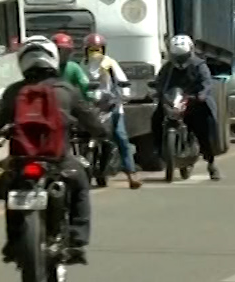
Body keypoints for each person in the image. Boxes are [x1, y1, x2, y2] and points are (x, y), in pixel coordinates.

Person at [0, 36, 104, 264]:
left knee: (12, 192)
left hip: (23, 159)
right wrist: (101, 133)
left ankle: (13, 242)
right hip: (58, 158)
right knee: (80, 184)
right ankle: (77, 242)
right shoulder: (65, 90)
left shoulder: (14, 91)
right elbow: (90, 119)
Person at [151, 34, 221, 181]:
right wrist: (156, 92)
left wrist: (201, 94)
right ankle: (158, 149)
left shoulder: (199, 65)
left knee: (205, 128)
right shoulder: (168, 68)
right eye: (177, 56)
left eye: (183, 56)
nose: (180, 60)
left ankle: (211, 163)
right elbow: (159, 82)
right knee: (156, 118)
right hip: (173, 101)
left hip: (194, 102)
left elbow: (207, 82)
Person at [83, 33, 143, 190]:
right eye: (92, 49)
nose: (95, 52)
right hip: (92, 107)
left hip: (111, 106)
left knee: (121, 137)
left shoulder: (109, 63)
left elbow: (123, 81)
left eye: (98, 49)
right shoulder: (82, 66)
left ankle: (131, 174)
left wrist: (124, 94)